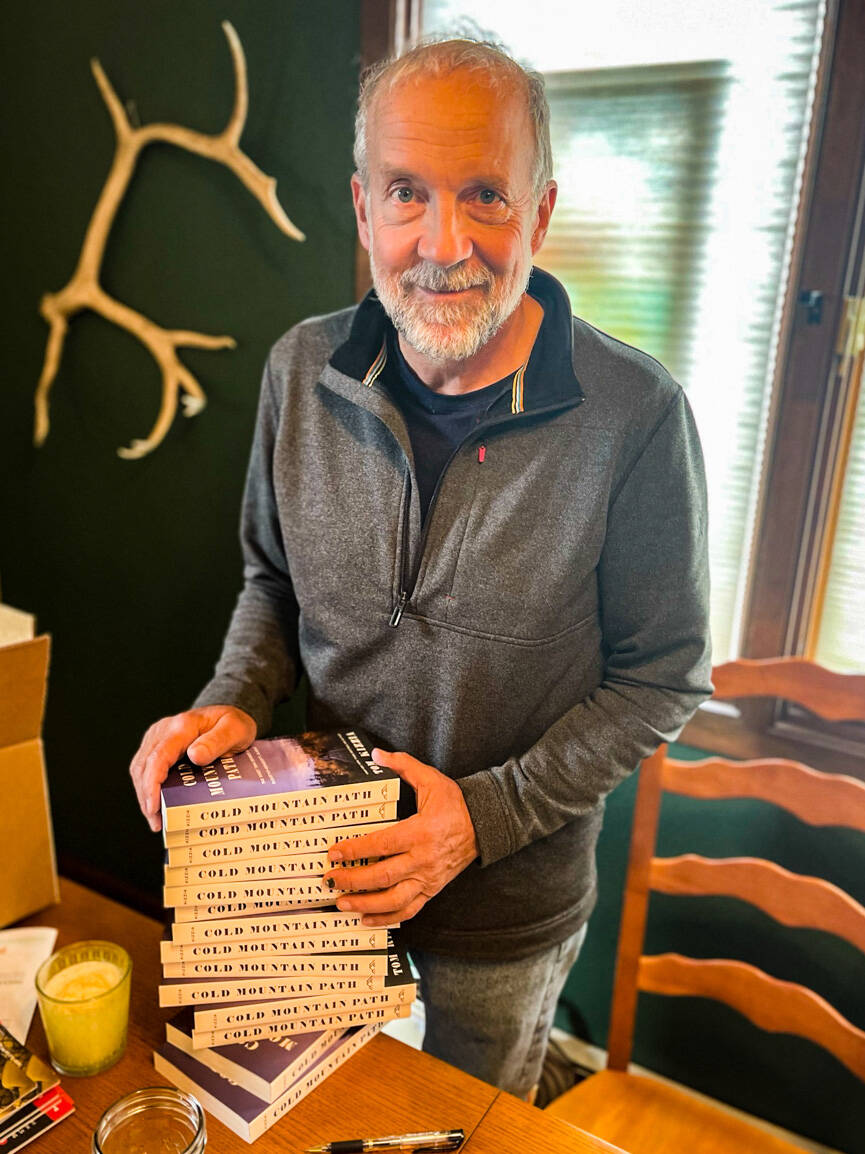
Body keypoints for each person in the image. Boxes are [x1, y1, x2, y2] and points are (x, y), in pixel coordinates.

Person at [130, 37, 712, 1099]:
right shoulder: (298, 370)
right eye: (407, 192)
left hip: (506, 918)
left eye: (484, 194)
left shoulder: (638, 416)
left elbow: (662, 677)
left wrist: (480, 817)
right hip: (311, 876)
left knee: (462, 1127)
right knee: (313, 1112)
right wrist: (230, 703)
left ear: (537, 213)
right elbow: (272, 582)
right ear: (363, 209)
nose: (442, 244)